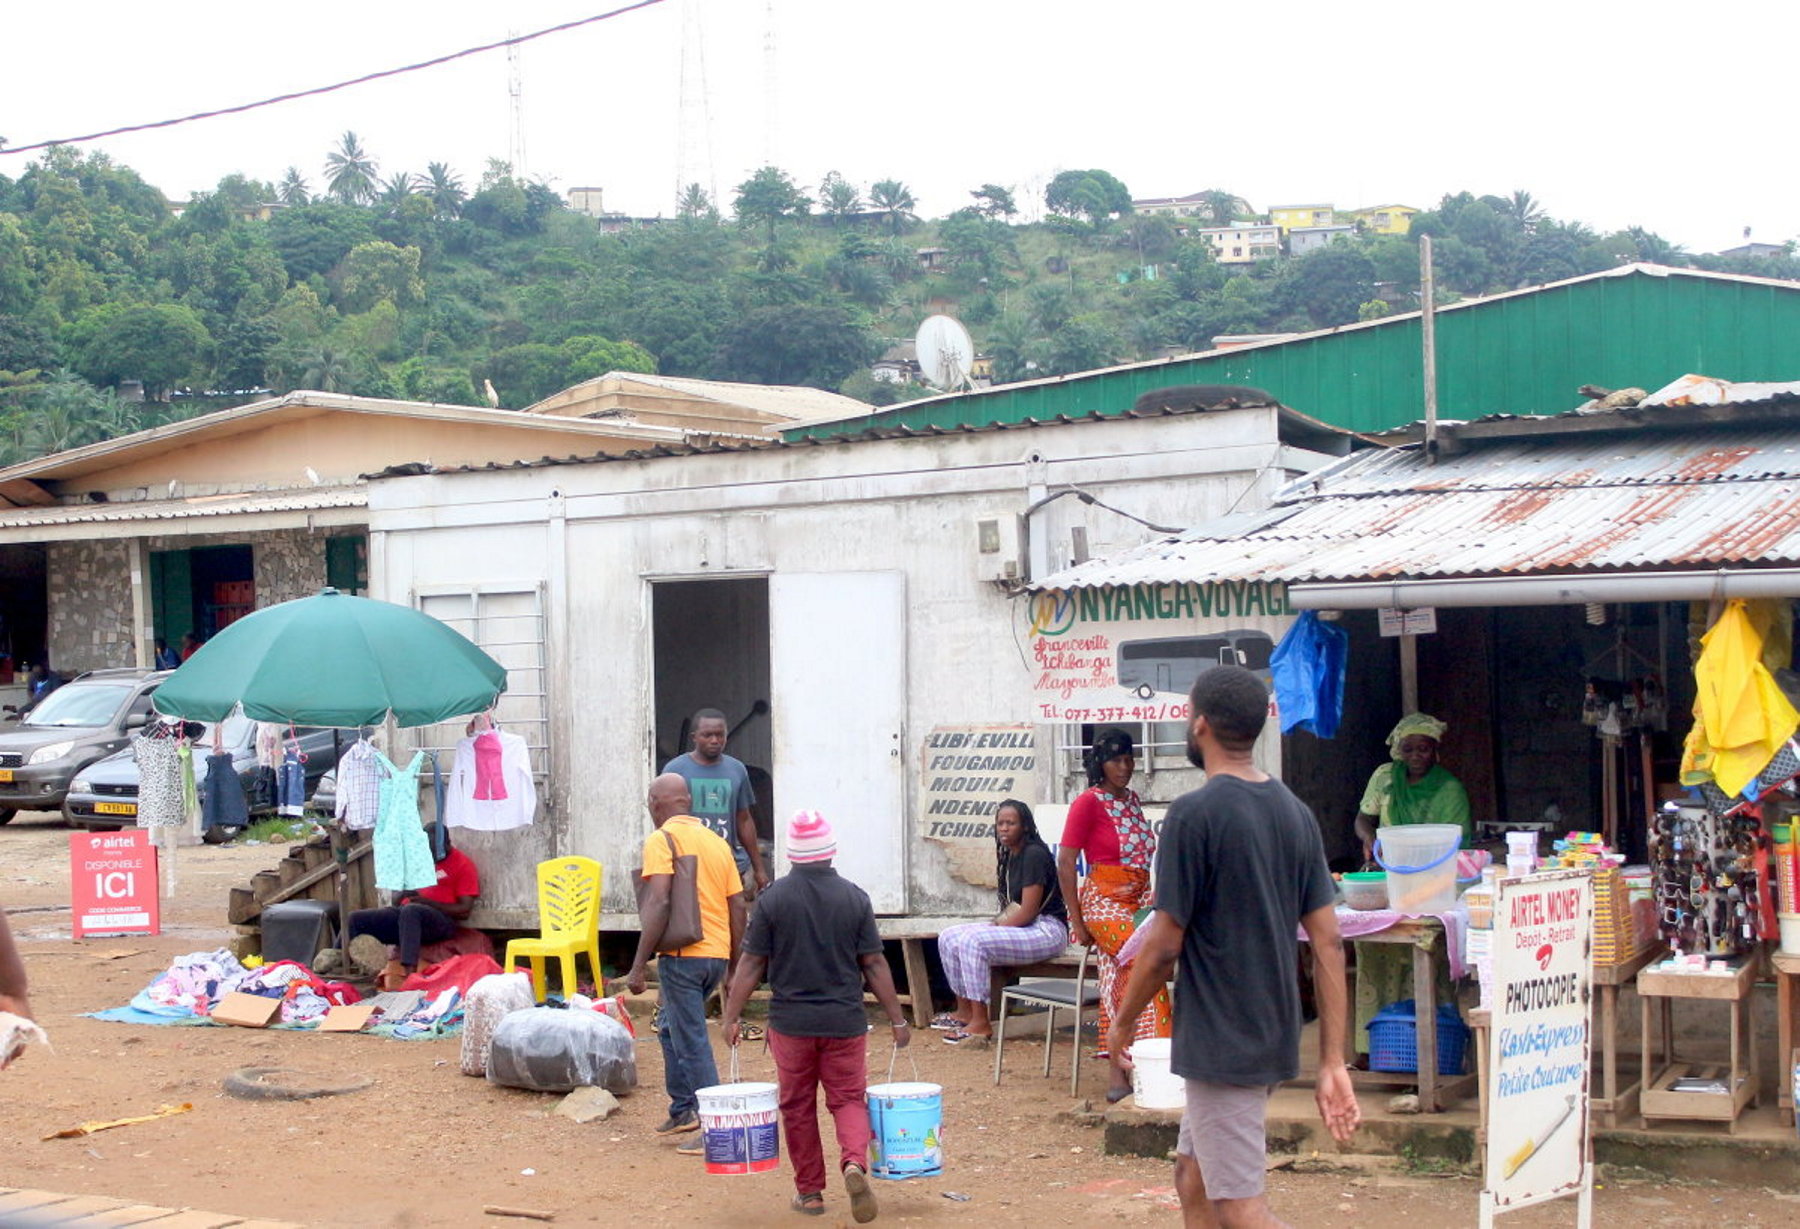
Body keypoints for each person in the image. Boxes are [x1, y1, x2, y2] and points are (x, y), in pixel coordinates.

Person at [1112, 666, 1359, 1229]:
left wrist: (1124, 1022)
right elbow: (1328, 941)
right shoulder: (1294, 813)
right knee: (1193, 1177)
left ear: (1199, 725)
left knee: (1240, 1208)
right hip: (1269, 1031)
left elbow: (1164, 944)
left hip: (1225, 1039)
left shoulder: (1193, 815)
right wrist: (1328, 1061)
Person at [722, 810, 908, 1222]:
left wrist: (731, 1016)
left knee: (798, 1106)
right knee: (847, 1100)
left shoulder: (773, 900)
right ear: (830, 852)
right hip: (844, 1022)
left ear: (791, 855)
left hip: (792, 1026)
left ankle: (810, 1193)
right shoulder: (854, 897)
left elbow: (751, 964)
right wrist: (897, 1019)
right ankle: (855, 1163)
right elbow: (874, 963)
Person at [626, 772, 746, 1157]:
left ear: (656, 802)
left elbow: (659, 901)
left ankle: (716, 1127)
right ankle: (683, 1109)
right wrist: (734, 961)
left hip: (682, 957)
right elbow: (738, 905)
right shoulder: (716, 842)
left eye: (650, 802)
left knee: (692, 1039)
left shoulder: (661, 840)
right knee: (669, 1027)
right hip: (714, 955)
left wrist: (638, 964)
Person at [1056, 727, 1171, 1100]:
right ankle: (1146, 1068)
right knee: (1147, 966)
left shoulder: (1132, 800)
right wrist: (1076, 920)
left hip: (1137, 902)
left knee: (1120, 974)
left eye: (1128, 759)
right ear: (1099, 763)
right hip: (1102, 902)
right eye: (1115, 760)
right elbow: (1066, 861)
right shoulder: (1088, 802)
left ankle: (1120, 1076)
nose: (1124, 767)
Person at [1351, 712, 1470, 1057]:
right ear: (1397, 750)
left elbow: (1455, 845)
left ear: (1435, 752)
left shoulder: (1450, 790)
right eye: (1409, 749)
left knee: (1426, 961)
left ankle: (1430, 1049)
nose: (1416, 756)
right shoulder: (1385, 778)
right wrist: (1370, 838)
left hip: (1432, 886)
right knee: (1377, 957)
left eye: (1424, 749)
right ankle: (1372, 1047)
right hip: (1392, 880)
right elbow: (1362, 817)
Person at [933, 799, 1069, 1044]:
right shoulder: (1013, 855)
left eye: (1011, 823)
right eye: (1000, 823)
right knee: (949, 936)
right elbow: (1015, 910)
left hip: (1048, 930)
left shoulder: (1034, 854)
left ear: (1025, 826)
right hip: (1028, 926)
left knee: (972, 942)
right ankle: (964, 1011)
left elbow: (1027, 910)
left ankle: (981, 1022)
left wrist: (996, 928)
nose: (1004, 828)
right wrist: (996, 925)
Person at [347, 824, 479, 991]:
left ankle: (409, 976)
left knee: (412, 911)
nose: (429, 856)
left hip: (441, 922)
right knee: (356, 918)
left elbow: (464, 910)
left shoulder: (462, 864)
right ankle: (334, 964)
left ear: (446, 844)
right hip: (407, 918)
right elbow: (395, 902)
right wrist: (403, 893)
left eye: (432, 852)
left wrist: (427, 902)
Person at [663, 708, 770, 897]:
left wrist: (759, 869)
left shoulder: (737, 770)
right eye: (707, 735)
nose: (714, 740)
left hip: (730, 866)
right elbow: (664, 821)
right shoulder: (675, 770)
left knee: (733, 920)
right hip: (690, 868)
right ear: (694, 737)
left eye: (720, 735)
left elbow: (744, 820)